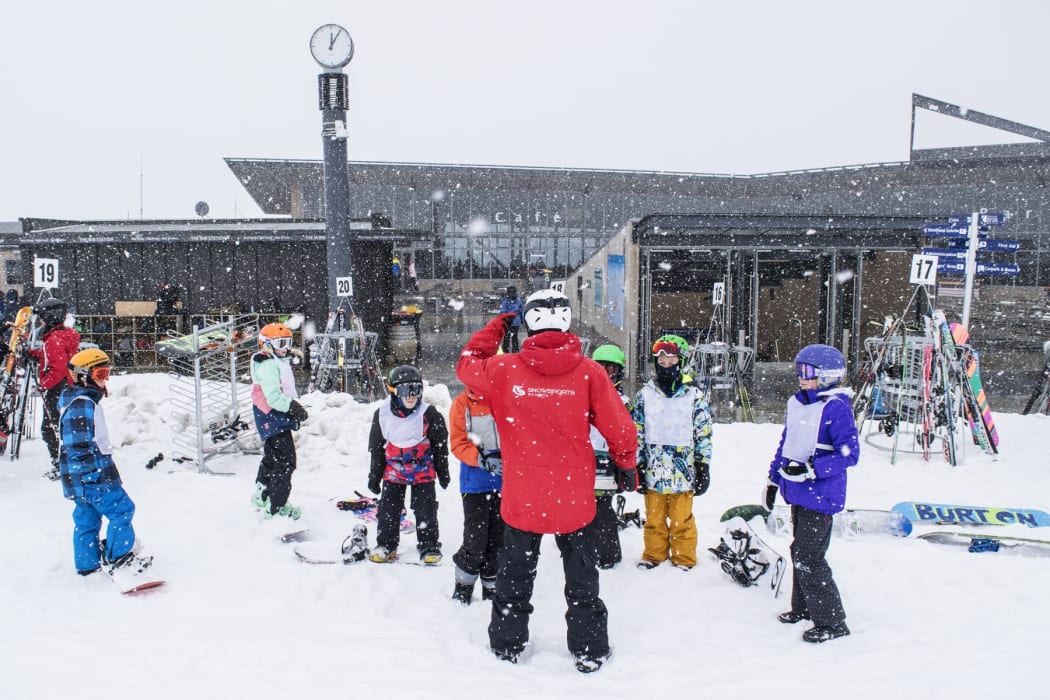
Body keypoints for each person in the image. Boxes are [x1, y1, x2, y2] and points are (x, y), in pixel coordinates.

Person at [456, 288, 638, 674]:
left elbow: (468, 362)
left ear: (528, 322)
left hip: (523, 498)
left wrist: (498, 324)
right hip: (574, 499)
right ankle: (589, 649)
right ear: (568, 319)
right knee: (582, 579)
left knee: (515, 575)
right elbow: (620, 429)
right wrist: (626, 463)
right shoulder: (590, 372)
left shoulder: (504, 371)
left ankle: (507, 645)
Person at [764, 344, 859, 643]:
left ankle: (832, 621)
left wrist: (813, 468)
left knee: (810, 557)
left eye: (807, 372)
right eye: (799, 371)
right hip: (797, 492)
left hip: (821, 495)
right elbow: (787, 442)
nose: (800, 378)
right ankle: (803, 607)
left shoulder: (836, 407)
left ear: (828, 376)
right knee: (799, 551)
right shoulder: (797, 403)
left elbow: (849, 453)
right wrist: (773, 479)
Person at [58, 348, 151, 576]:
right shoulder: (82, 404)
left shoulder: (81, 401)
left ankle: (87, 564)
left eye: (107, 373)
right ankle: (119, 558)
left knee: (87, 517)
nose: (105, 380)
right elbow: (78, 445)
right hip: (93, 474)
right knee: (122, 510)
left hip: (81, 476)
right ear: (82, 375)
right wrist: (92, 476)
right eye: (100, 373)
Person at [632, 334, 713, 571]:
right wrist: (637, 462)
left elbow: (704, 431)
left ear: (681, 362)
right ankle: (653, 554)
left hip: (682, 469)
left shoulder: (693, 396)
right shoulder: (646, 395)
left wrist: (702, 464)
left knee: (681, 519)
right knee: (654, 517)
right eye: (662, 362)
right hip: (654, 467)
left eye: (672, 362)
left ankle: (683, 557)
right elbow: (637, 429)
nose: (666, 367)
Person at [367, 365, 450, 564]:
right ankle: (387, 544)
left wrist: (443, 471)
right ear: (394, 392)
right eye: (405, 391)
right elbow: (377, 448)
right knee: (389, 508)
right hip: (394, 471)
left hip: (423, 470)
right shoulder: (383, 415)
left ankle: (428, 544)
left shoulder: (429, 414)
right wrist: (374, 476)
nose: (411, 397)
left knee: (425, 509)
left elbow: (440, 446)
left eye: (416, 390)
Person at [449, 386, 503, 604]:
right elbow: (458, 442)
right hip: (475, 483)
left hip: (504, 481)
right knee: (475, 539)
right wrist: (481, 459)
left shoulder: (505, 399)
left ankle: (492, 583)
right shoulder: (462, 404)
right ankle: (464, 584)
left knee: (498, 539)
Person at [249, 322, 309, 520]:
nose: (285, 348)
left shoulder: (274, 361)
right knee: (286, 462)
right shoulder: (268, 366)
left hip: (271, 417)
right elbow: (273, 397)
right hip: (272, 416)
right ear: (267, 345)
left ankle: (263, 491)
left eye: (288, 342)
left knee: (273, 457)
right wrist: (293, 407)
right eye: (280, 343)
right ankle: (277, 507)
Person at [589, 343, 632, 569]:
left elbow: (629, 434)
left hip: (608, 461)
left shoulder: (622, 402)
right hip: (584, 460)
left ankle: (608, 553)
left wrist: (627, 464)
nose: (606, 374)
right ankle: (581, 549)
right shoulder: (582, 396)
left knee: (603, 508)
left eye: (611, 369)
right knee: (582, 508)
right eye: (601, 368)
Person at [28, 298, 81, 480]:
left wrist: (44, 385)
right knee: (64, 427)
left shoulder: (53, 340)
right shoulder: (64, 336)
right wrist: (35, 355)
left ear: (49, 317)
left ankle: (60, 464)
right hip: (69, 387)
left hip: (58, 389)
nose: (40, 322)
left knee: (50, 429)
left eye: (42, 318)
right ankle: (69, 462)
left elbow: (59, 369)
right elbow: (60, 359)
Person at [498, 286, 524, 353]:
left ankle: (505, 351)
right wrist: (522, 320)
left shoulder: (506, 301)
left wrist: (505, 318)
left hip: (508, 322)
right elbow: (521, 311)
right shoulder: (518, 301)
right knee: (514, 337)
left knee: (507, 337)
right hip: (516, 322)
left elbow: (503, 311)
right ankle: (515, 351)